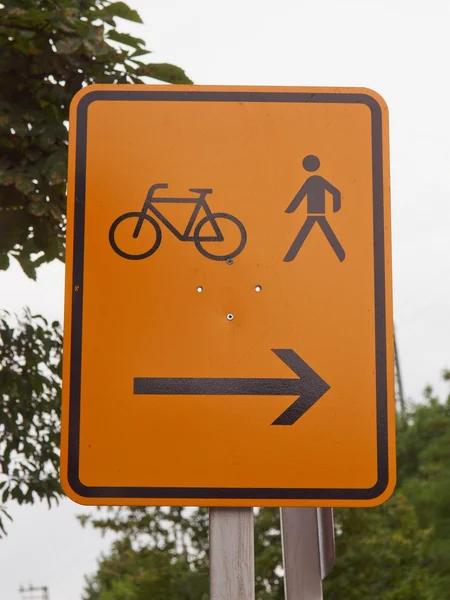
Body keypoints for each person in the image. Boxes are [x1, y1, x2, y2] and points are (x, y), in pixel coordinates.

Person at [284, 155, 345, 262]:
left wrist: (291, 209)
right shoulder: (316, 180)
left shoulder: (313, 180)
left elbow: (300, 195)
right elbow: (335, 192)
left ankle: (289, 257)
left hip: (315, 213)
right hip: (315, 214)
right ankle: (341, 255)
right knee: (309, 233)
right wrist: (335, 207)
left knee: (304, 234)